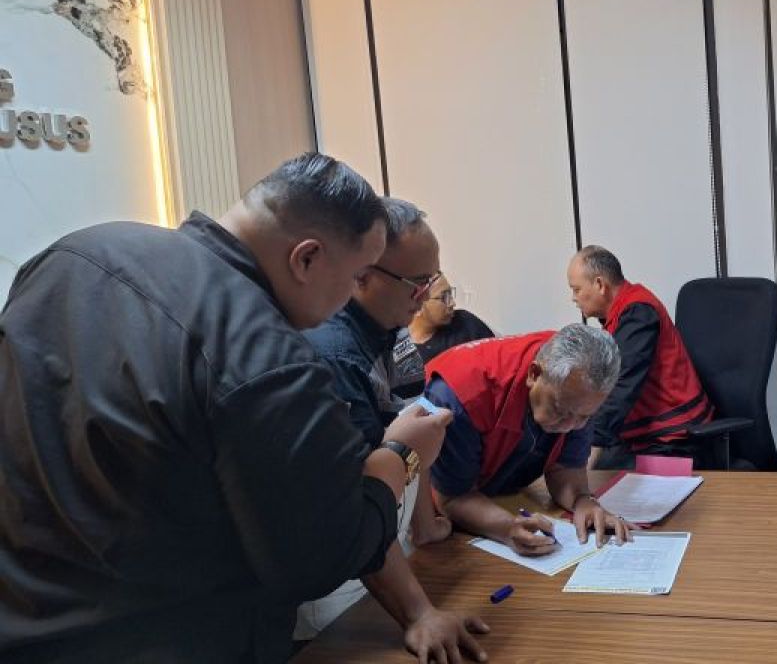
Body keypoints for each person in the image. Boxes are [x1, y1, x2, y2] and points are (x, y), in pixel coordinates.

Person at [0, 153, 487, 663]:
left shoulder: (77, 253)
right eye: (355, 275)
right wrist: (401, 455)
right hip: (165, 638)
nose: (351, 295)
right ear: (306, 258)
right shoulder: (269, 356)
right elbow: (324, 556)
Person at [297, 198, 455, 641]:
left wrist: (425, 525)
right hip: (345, 577)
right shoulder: (334, 354)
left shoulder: (394, 325)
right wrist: (418, 613)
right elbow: (358, 499)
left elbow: (416, 427)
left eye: (432, 280)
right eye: (417, 284)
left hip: (390, 544)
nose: (426, 297)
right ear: (362, 273)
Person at [426, 325, 631, 556]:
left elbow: (565, 468)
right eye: (559, 410)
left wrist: (584, 501)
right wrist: (506, 527)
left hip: (500, 495)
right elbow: (452, 497)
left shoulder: (579, 383)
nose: (569, 426)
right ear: (534, 374)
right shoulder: (461, 397)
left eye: (585, 416)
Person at [566, 245, 714, 469]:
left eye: (576, 289)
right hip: (644, 437)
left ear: (600, 284)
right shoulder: (621, 314)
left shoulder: (639, 313)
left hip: (675, 439)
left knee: (598, 479)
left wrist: (590, 445)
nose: (574, 298)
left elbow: (621, 385)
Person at [393, 274, 495, 401]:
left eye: (451, 294)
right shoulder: (397, 352)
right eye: (444, 297)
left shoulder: (467, 324)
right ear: (417, 305)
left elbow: (498, 368)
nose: (452, 303)